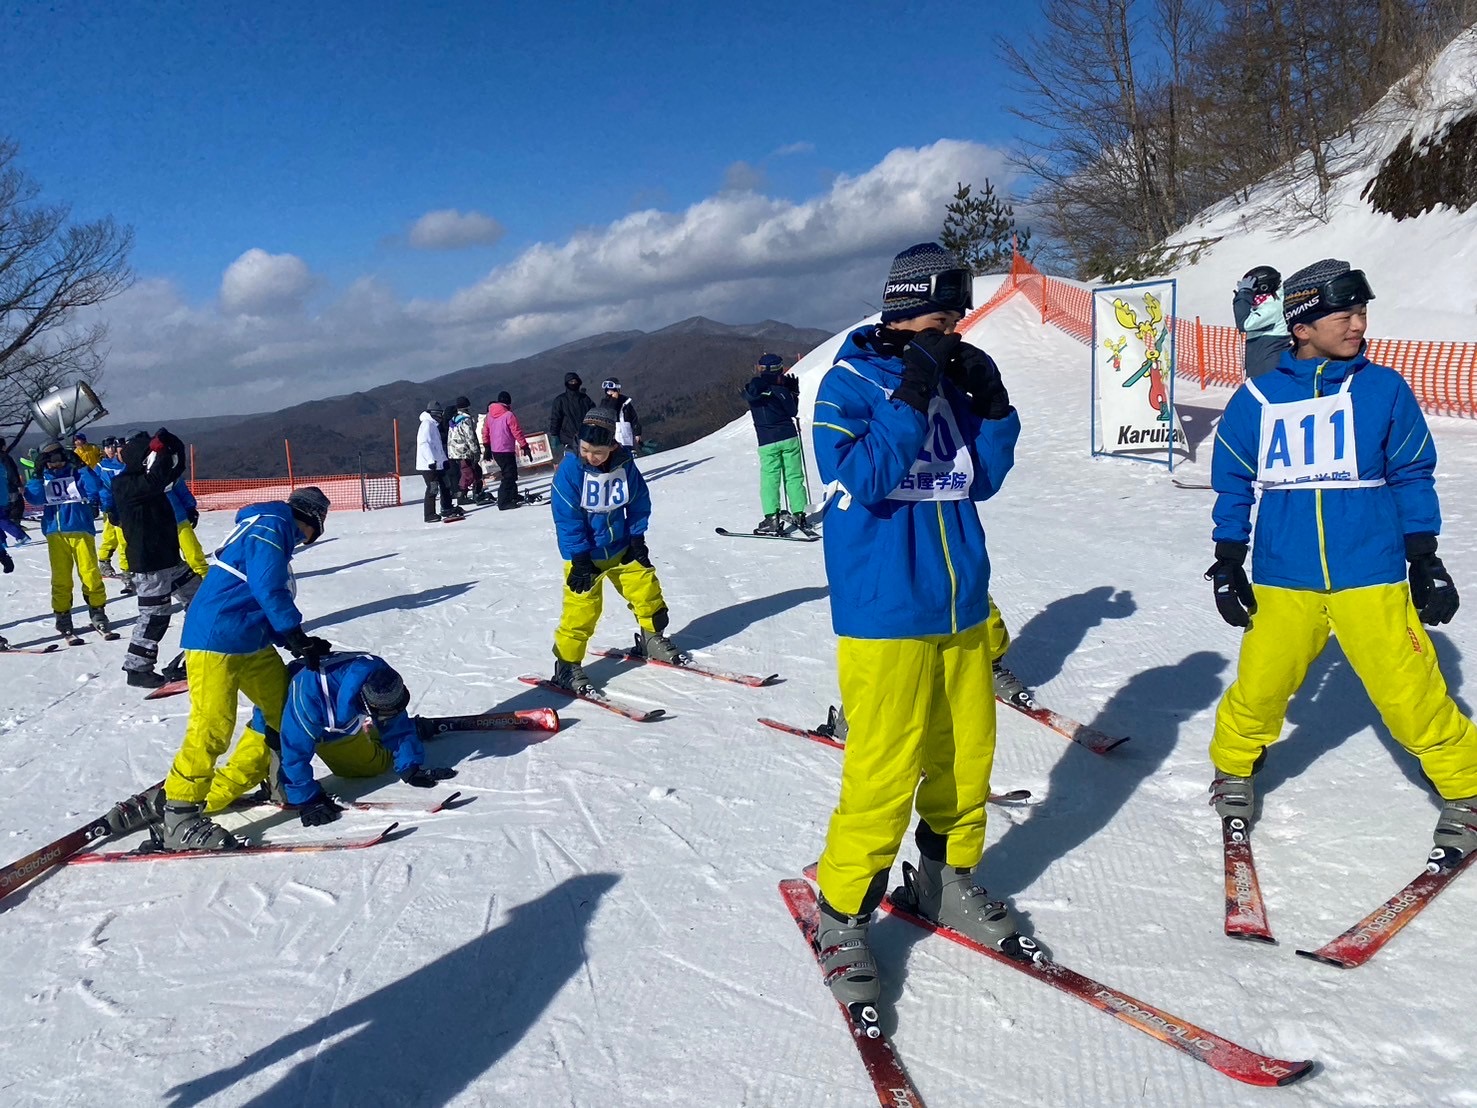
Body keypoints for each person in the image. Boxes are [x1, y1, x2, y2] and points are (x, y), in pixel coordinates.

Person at [1206, 259, 1477, 870]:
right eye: (1344, 315)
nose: (1359, 325)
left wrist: (1424, 557)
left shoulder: (1383, 389)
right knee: (1262, 684)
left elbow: (1411, 472)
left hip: (1370, 571)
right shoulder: (1258, 398)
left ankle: (1466, 786)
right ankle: (1235, 766)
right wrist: (1227, 558)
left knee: (1409, 690)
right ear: (1302, 326)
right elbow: (1233, 481)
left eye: (1362, 313)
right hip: (1284, 573)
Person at [808, 242, 1023, 1011]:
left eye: (957, 323)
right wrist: (912, 390)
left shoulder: (948, 381)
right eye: (941, 322)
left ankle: (944, 879)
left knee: (964, 756)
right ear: (904, 314)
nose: (952, 334)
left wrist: (992, 408)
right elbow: (861, 478)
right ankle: (841, 913)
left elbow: (981, 479)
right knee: (884, 768)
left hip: (959, 604)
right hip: (885, 609)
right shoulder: (846, 384)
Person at [153, 486, 334, 850]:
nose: (305, 541)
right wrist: (294, 633)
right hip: (216, 637)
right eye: (312, 534)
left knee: (285, 709)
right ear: (311, 521)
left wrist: (295, 641)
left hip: (249, 638)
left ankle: (284, 779)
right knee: (213, 724)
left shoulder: (268, 527)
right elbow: (268, 588)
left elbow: (257, 595)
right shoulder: (273, 525)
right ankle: (179, 815)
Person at [548, 408, 686, 694]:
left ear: (612, 446)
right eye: (585, 449)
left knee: (647, 591)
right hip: (585, 555)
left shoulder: (624, 464)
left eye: (597, 452)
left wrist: (637, 539)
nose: (590, 456)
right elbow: (567, 518)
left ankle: (651, 639)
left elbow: (638, 501)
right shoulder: (570, 471)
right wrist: (580, 557)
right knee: (581, 611)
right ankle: (567, 665)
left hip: (620, 546)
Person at [251, 652, 456, 827]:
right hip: (281, 728)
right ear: (364, 703)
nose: (388, 715)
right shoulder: (309, 697)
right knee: (282, 794)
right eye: (380, 715)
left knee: (371, 767)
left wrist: (409, 765)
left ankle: (408, 730)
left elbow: (395, 721)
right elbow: (295, 750)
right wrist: (307, 800)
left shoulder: (383, 680)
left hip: (333, 726)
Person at [105, 430, 202, 687]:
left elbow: (174, 469)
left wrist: (169, 443)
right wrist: (157, 450)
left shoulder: (151, 482)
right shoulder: (125, 484)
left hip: (170, 560)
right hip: (149, 565)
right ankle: (137, 668)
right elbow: (156, 478)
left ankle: (198, 652)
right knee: (155, 616)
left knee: (201, 599)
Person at [23, 440, 110, 641]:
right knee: (61, 578)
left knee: (90, 574)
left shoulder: (75, 473)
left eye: (59, 458)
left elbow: (94, 487)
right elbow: (34, 498)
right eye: (50, 460)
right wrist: (36, 474)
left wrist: (81, 466)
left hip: (80, 529)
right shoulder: (45, 477)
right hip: (56, 532)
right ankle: (62, 615)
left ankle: (97, 610)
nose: (56, 464)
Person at [743, 354, 811, 534]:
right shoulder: (781, 390)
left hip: (767, 440)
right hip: (788, 437)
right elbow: (792, 411)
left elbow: (749, 394)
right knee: (794, 476)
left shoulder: (754, 390)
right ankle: (800, 513)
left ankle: (771, 518)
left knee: (770, 478)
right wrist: (793, 393)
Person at [1233, 266, 1290, 380]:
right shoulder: (1264, 304)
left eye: (1253, 289)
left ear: (1264, 287)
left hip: (1269, 364)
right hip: (1260, 363)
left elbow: (1245, 323)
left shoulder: (1272, 306)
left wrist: (1244, 295)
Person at [482, 391, 532, 510]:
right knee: (509, 475)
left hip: (496, 449)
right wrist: (524, 446)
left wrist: (487, 446)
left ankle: (513, 495)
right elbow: (516, 431)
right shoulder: (509, 415)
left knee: (511, 473)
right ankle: (503, 501)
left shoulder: (489, 415)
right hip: (506, 449)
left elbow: (485, 431)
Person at [415, 400, 463, 523]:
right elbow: (424, 444)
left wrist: (444, 460)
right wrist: (430, 460)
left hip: (438, 464)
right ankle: (429, 514)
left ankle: (447, 507)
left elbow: (437, 447)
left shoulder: (434, 425)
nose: (440, 417)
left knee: (446, 484)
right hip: (428, 465)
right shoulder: (426, 425)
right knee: (433, 488)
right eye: (438, 414)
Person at [95, 438, 131, 589]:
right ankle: (105, 561)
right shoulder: (102, 466)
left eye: (112, 447)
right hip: (110, 507)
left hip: (125, 508)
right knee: (110, 536)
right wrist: (100, 503)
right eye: (107, 447)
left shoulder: (126, 465)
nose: (110, 450)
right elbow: (98, 486)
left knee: (122, 538)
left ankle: (126, 568)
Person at [446, 396, 488, 505]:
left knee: (475, 471)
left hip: (455, 451)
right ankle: (462, 495)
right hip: (464, 451)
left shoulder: (453, 419)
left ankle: (476, 492)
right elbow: (470, 437)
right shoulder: (465, 420)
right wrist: (475, 451)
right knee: (468, 473)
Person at [167, 476, 210, 577]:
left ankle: (204, 576)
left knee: (192, 551)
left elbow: (180, 488)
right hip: (151, 523)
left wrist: (190, 508)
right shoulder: (135, 474)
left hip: (178, 518)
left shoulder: (168, 471)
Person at [548, 372, 594, 455]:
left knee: (587, 459)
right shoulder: (560, 400)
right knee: (572, 458)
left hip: (586, 436)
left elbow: (593, 414)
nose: (573, 384)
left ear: (579, 382)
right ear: (566, 383)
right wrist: (554, 434)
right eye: (571, 382)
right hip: (568, 437)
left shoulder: (585, 399)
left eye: (575, 381)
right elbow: (555, 418)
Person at [601, 378, 643, 453]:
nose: (609, 392)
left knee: (628, 453)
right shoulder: (605, 403)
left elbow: (634, 418)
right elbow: (609, 413)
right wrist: (614, 399)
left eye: (611, 390)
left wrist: (637, 433)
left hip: (626, 433)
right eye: (607, 390)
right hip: (613, 435)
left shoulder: (625, 402)